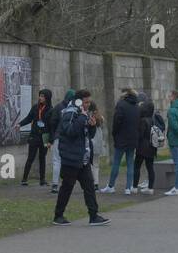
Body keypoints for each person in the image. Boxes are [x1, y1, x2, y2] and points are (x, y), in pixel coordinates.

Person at [52, 89, 109, 226]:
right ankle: (58, 216)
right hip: (71, 158)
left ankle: (93, 215)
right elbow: (69, 131)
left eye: (89, 102)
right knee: (67, 187)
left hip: (82, 158)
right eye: (86, 102)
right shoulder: (70, 112)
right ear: (78, 101)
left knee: (89, 186)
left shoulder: (83, 113)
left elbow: (87, 134)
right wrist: (83, 119)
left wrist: (92, 126)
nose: (88, 104)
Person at [102, 87, 140, 194]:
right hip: (133, 138)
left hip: (121, 138)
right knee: (130, 163)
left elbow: (116, 122)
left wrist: (114, 133)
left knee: (116, 162)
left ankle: (111, 186)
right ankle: (128, 188)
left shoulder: (121, 105)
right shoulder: (136, 106)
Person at [18, 88, 52, 186]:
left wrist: (50, 140)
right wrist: (20, 124)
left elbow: (51, 125)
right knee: (30, 157)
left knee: (42, 158)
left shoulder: (50, 109)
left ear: (47, 98)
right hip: (34, 135)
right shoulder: (35, 107)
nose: (40, 98)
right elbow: (29, 118)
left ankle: (42, 179)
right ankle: (24, 179)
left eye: (42, 96)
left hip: (45, 136)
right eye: (40, 96)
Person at [44, 88, 74, 193]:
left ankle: (55, 184)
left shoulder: (58, 107)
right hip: (70, 139)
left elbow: (52, 123)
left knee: (57, 161)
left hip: (58, 137)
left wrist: (50, 139)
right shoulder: (75, 109)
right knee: (69, 161)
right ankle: (68, 183)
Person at [134, 93, 159, 193]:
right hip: (152, 147)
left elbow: (140, 135)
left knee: (137, 166)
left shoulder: (143, 121)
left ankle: (134, 187)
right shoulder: (153, 120)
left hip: (142, 147)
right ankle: (150, 188)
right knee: (150, 167)